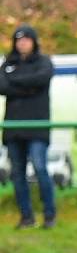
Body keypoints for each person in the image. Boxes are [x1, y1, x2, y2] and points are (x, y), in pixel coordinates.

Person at [0, 24, 55, 229]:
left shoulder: (44, 62)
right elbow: (1, 86)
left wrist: (14, 84)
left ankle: (49, 215)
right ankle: (26, 217)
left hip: (37, 128)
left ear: (34, 41)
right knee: (17, 173)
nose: (22, 43)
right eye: (18, 40)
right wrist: (28, 87)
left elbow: (41, 79)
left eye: (26, 39)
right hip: (13, 129)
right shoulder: (7, 63)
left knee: (40, 168)